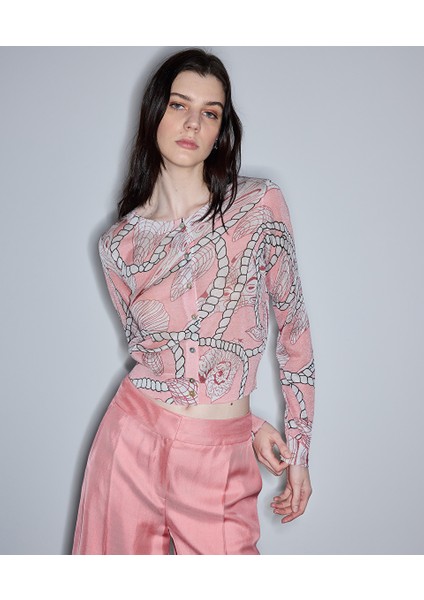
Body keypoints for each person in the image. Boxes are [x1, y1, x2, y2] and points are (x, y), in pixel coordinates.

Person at [72, 48, 315, 555]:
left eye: (210, 113)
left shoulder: (258, 207)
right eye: (179, 105)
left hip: (219, 461)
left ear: (221, 129)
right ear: (155, 113)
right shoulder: (119, 245)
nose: (192, 123)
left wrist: (297, 447)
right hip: (129, 444)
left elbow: (294, 331)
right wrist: (253, 423)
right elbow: (161, 358)